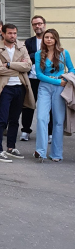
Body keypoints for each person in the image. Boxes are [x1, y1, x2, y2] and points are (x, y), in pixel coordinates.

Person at [0, 24, 34, 162]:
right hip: (4, 88)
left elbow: (28, 66)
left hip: (19, 87)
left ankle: (11, 148)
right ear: (3, 34)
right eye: (9, 33)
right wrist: (18, 67)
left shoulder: (21, 47)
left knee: (14, 120)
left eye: (14, 33)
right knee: (1, 120)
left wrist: (9, 64)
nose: (13, 36)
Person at [34, 28, 74, 162]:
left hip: (60, 88)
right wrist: (57, 81)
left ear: (56, 39)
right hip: (45, 87)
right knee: (41, 118)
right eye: (46, 37)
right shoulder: (39, 54)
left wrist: (67, 78)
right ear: (43, 39)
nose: (49, 39)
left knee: (58, 121)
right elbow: (39, 75)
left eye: (51, 37)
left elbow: (72, 69)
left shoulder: (64, 53)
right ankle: (40, 151)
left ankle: (56, 154)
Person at [20, 15, 51, 142]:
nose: (37, 26)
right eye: (34, 24)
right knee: (28, 105)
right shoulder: (29, 42)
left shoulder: (50, 39)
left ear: (44, 24)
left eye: (39, 23)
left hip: (48, 78)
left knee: (49, 107)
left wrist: (34, 56)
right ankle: (26, 131)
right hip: (32, 78)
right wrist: (38, 55)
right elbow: (25, 58)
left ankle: (50, 133)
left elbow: (53, 55)